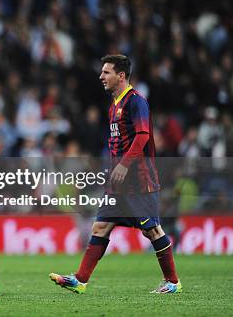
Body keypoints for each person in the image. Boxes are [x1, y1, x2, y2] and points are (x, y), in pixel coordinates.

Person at [50, 54, 182, 294]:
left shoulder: (136, 102)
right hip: (118, 185)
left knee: (152, 230)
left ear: (121, 75)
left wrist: (123, 165)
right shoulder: (115, 105)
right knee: (100, 227)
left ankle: (172, 282)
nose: (101, 76)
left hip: (139, 180)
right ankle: (80, 280)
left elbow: (142, 135)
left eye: (106, 72)